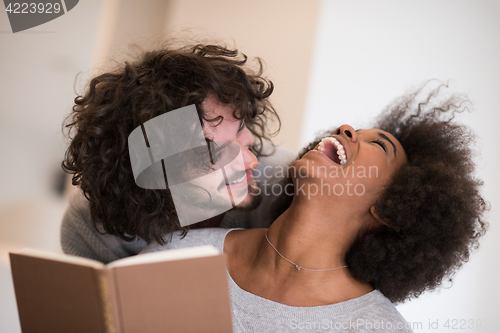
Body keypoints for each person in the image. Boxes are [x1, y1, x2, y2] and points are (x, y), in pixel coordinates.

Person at [142, 84, 488, 332]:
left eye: (379, 146)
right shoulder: (179, 253)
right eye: (355, 129)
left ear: (392, 209)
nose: (347, 129)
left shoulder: (374, 328)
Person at [60, 44, 295, 263]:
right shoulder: (89, 225)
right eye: (216, 154)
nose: (250, 161)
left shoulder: (286, 183)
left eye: (241, 130)